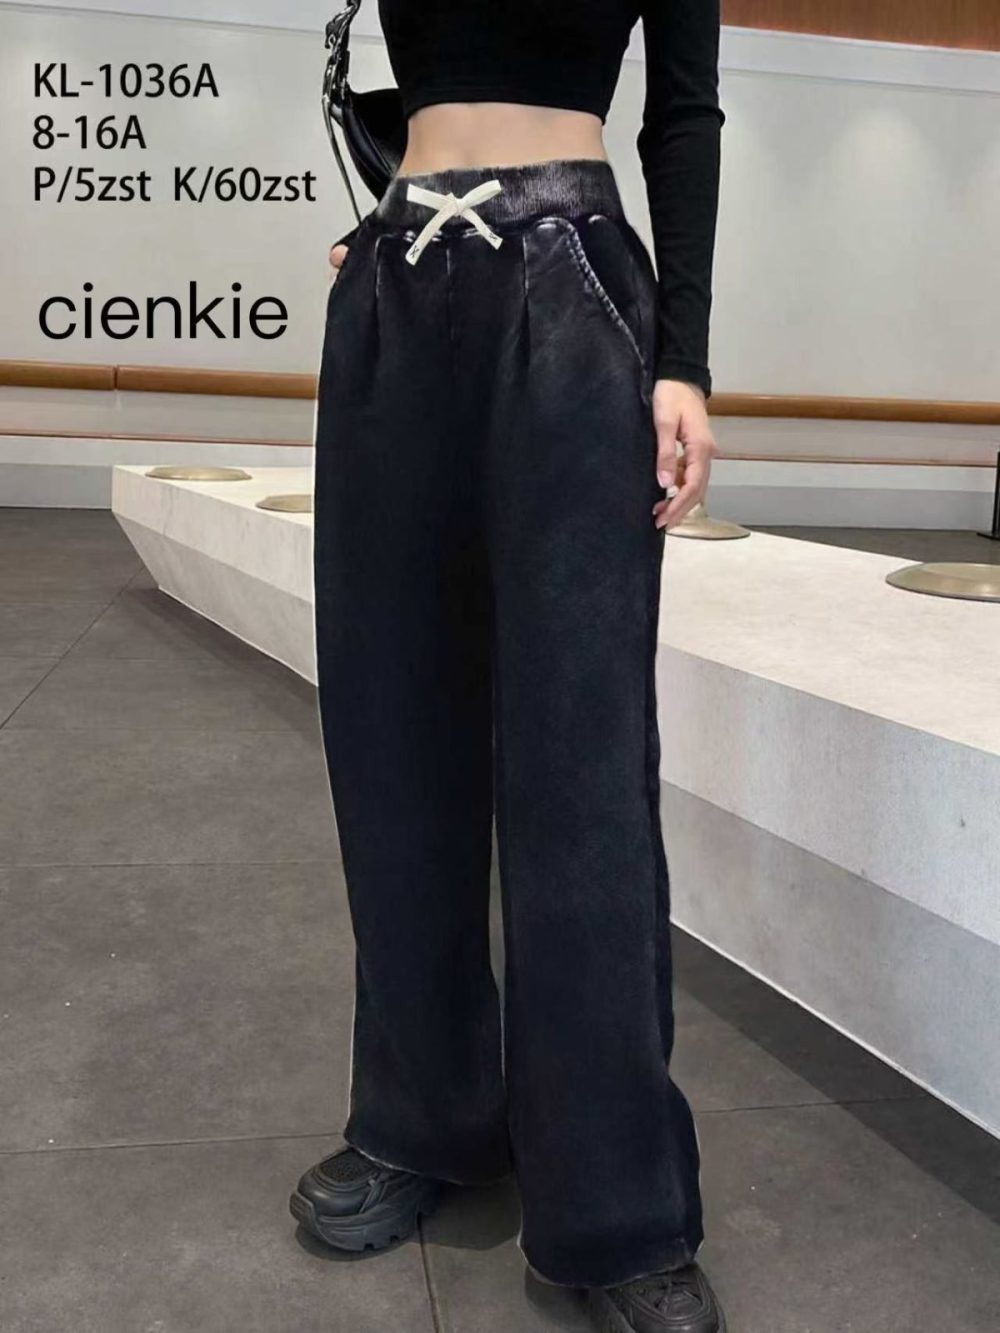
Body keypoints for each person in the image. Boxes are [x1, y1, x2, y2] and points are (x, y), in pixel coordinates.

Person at [292, 3, 726, 1329]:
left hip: (572, 275)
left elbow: (682, 115)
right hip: (400, 278)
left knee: (581, 763)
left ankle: (616, 1201)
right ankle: (422, 1114)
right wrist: (382, 215)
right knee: (389, 729)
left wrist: (684, 359)